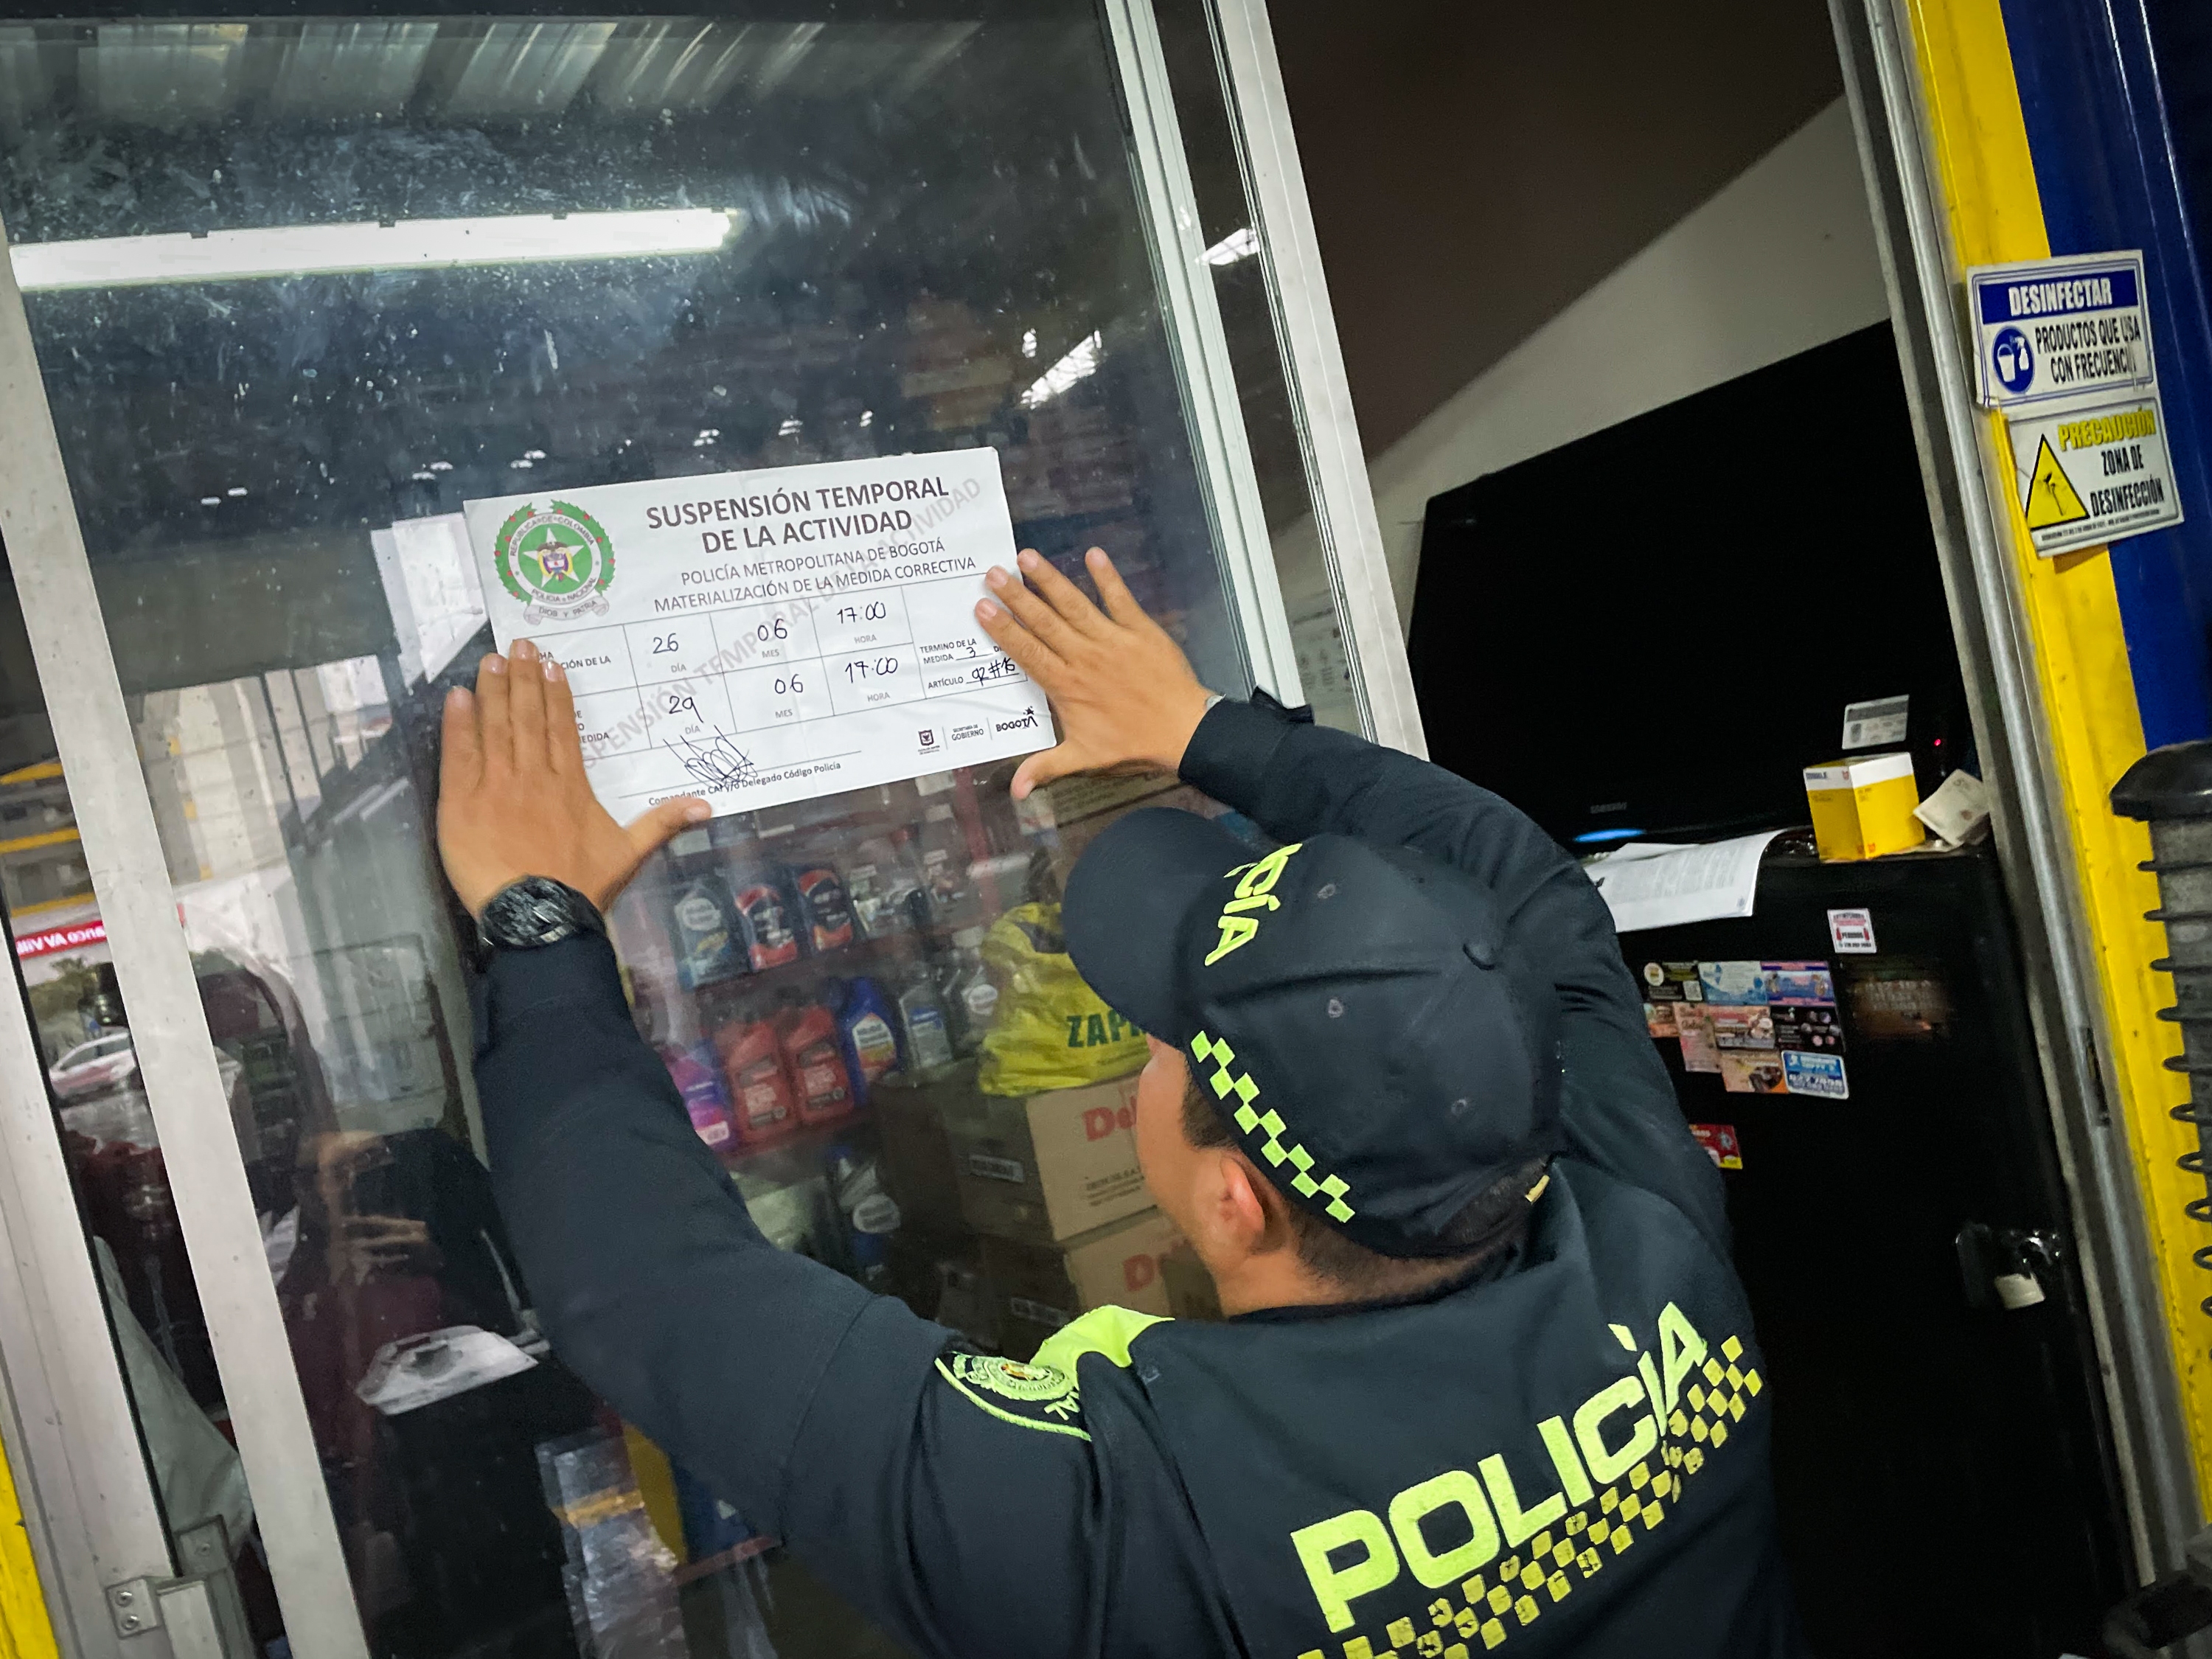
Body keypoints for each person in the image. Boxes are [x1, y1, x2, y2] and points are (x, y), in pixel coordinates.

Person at [437, 547, 1804, 1658]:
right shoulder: (1652, 1229)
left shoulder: (1149, 1528)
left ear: (1236, 1192)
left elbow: (652, 1287)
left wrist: (537, 922)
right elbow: (1527, 878)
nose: (1142, 1050)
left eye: (1166, 1037)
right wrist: (1211, 732)